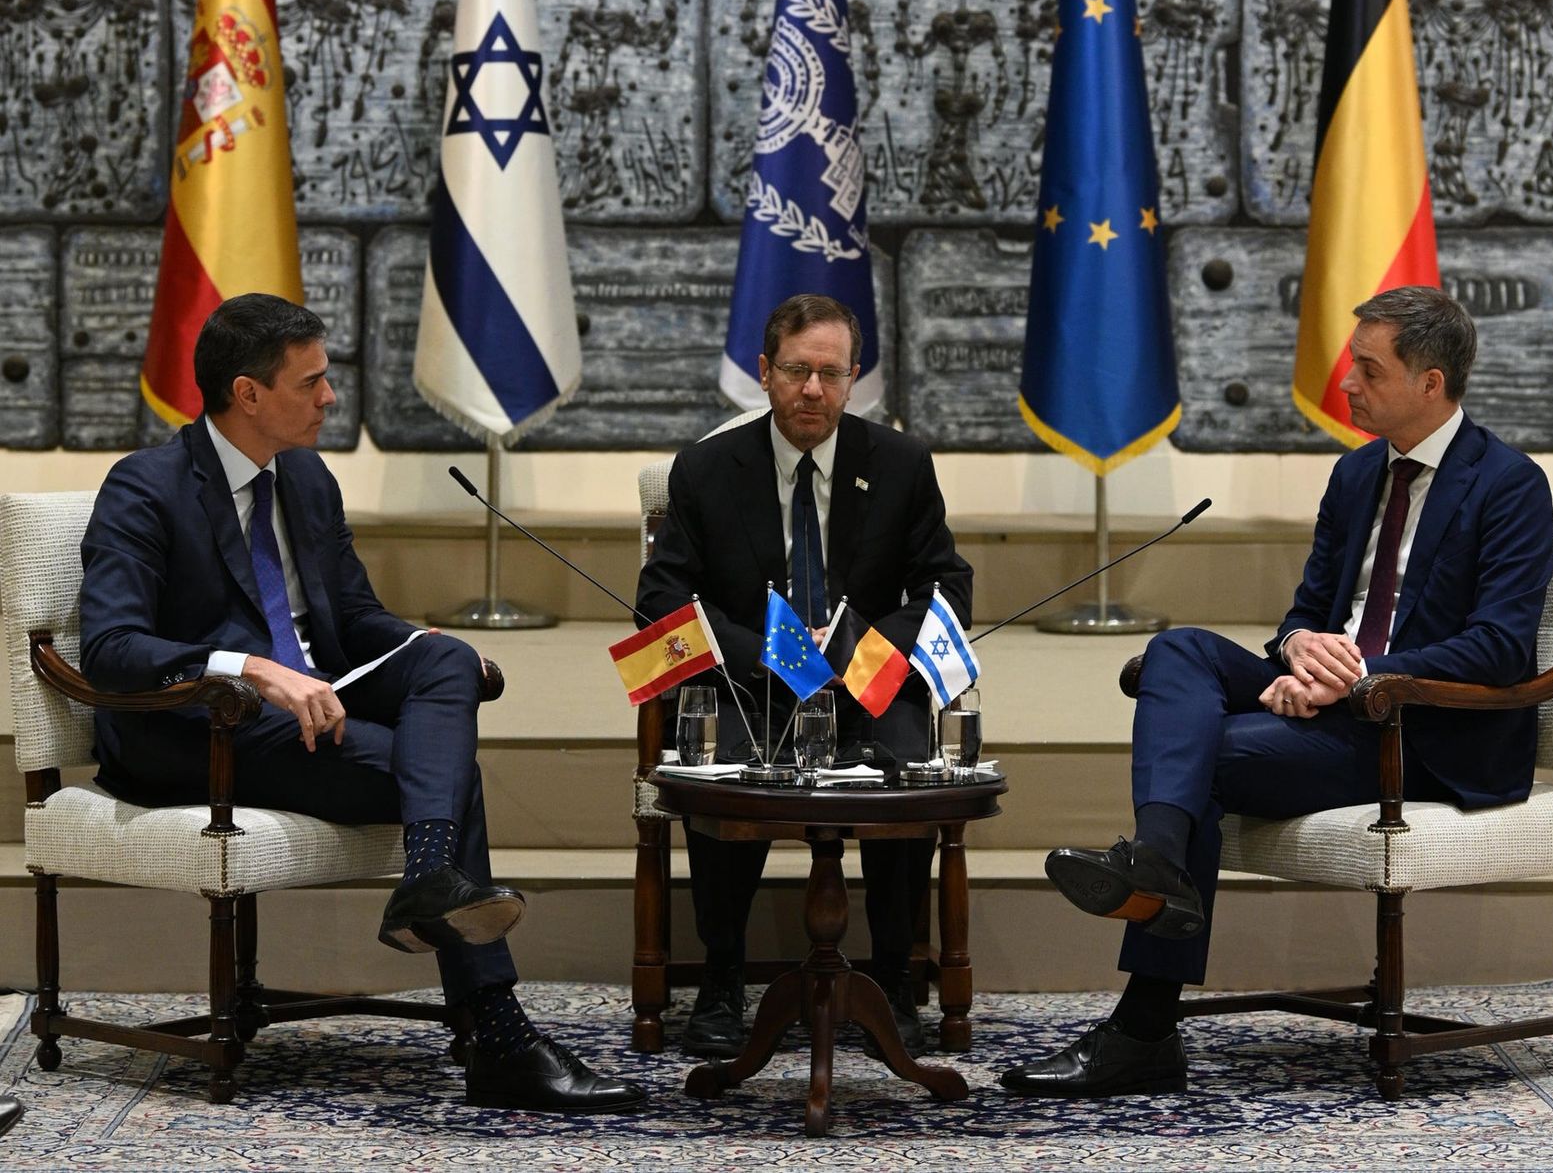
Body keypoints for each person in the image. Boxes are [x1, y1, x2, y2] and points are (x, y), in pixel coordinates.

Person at [79, 293, 644, 1114]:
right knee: (446, 774)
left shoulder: (305, 477)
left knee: (444, 660)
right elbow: (111, 650)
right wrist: (251, 669)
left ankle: (428, 880)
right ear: (247, 395)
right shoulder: (146, 487)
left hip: (321, 700)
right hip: (205, 729)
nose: (330, 397)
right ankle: (495, 1027)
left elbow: (356, 621)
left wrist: (424, 644)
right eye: (310, 382)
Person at [1000, 285, 1553, 1098]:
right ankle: (1156, 862)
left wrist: (1355, 677)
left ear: (1430, 383)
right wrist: (1300, 652)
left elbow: (1502, 646)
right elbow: (1303, 613)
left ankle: (1146, 1026)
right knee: (1176, 651)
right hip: (1336, 700)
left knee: (1207, 753)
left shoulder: (1509, 484)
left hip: (1421, 733)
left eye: (1368, 369)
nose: (1348, 385)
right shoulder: (1358, 473)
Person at [636, 293, 974, 1058]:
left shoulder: (900, 465)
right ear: (765, 372)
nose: (813, 390)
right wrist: (775, 653)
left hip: (864, 683)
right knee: (718, 754)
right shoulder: (707, 469)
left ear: (854, 379)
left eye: (830, 372)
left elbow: (947, 587)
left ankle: (892, 976)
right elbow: (660, 599)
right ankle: (723, 980)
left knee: (907, 746)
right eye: (796, 371)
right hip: (754, 684)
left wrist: (858, 651)